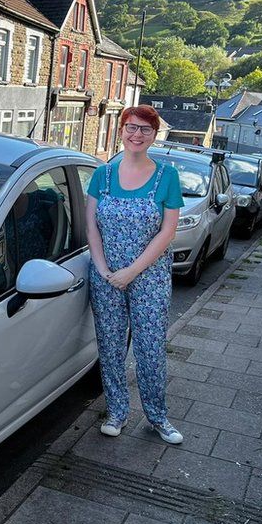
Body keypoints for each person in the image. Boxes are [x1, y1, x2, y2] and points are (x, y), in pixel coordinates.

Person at [85, 105, 185, 444]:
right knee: (110, 347)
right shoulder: (103, 175)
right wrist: (102, 269)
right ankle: (116, 412)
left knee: (150, 349)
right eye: (131, 127)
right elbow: (92, 227)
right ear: (121, 129)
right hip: (106, 278)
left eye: (145, 129)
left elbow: (167, 231)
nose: (136, 134)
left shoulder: (167, 176)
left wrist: (131, 271)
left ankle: (158, 417)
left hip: (149, 279)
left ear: (154, 135)